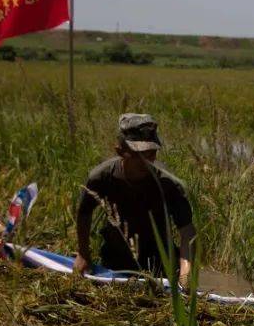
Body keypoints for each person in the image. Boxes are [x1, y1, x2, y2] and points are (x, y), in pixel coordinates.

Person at [74, 114, 195, 280]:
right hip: (115, 260)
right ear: (120, 151)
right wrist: (83, 254)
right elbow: (84, 213)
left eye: (151, 154)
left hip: (160, 262)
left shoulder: (168, 183)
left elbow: (187, 230)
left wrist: (186, 272)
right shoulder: (101, 177)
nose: (146, 162)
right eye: (138, 155)